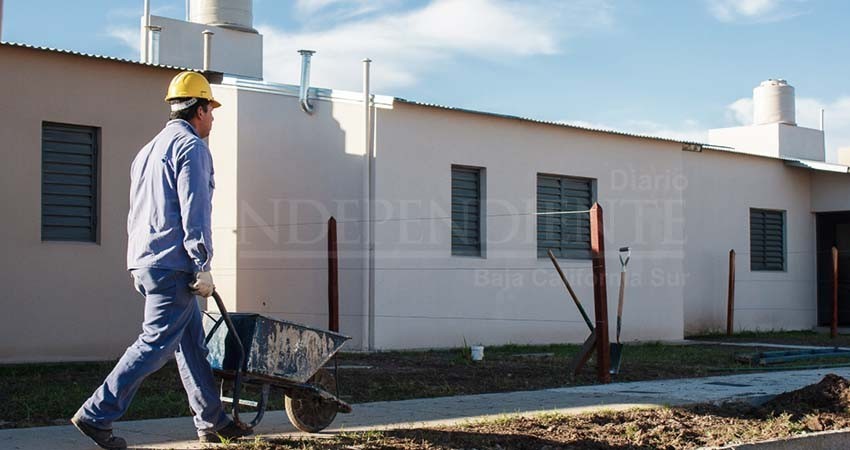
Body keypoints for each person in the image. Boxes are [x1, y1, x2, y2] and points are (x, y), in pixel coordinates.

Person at [71, 71, 251, 449]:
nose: (214, 119)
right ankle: (96, 414)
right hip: (174, 263)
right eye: (211, 110)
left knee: (191, 345)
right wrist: (202, 261)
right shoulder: (192, 148)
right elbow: (195, 208)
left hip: (145, 259)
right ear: (199, 109)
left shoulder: (149, 149)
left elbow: (139, 209)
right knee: (154, 342)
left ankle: (213, 421)